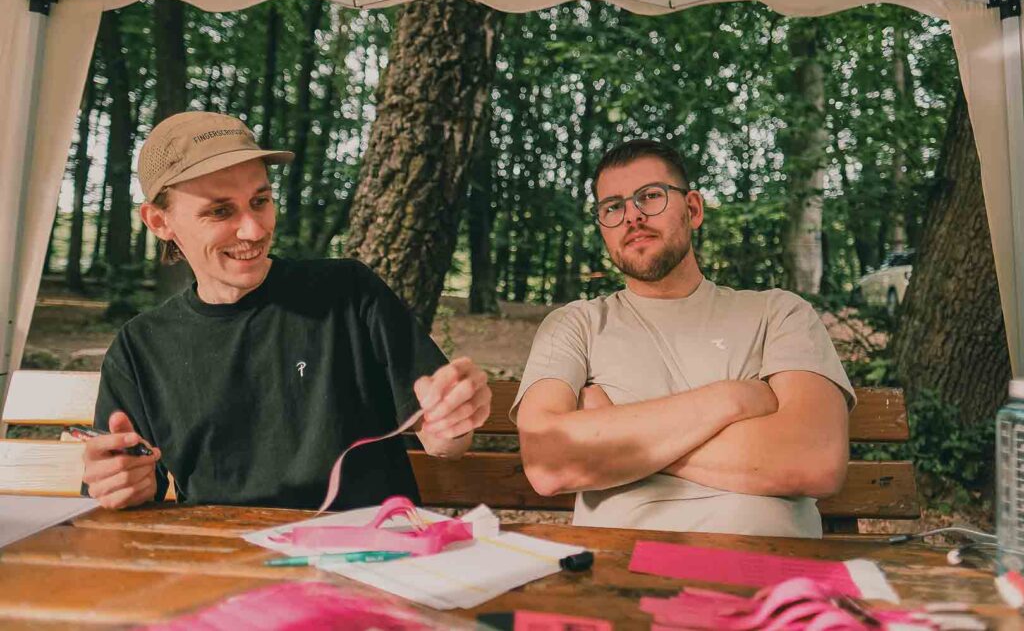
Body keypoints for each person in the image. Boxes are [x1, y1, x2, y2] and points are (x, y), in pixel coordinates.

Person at [82, 111, 491, 511]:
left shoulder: (349, 293)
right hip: (224, 550)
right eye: (220, 211)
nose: (254, 230)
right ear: (159, 221)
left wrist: (452, 420)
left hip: (369, 545)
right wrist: (120, 485)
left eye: (260, 201)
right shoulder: (140, 347)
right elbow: (128, 488)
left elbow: (445, 442)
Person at [513, 139, 853, 538]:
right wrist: (733, 399)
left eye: (650, 196)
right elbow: (548, 462)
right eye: (613, 207)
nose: (632, 216)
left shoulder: (779, 313)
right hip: (622, 564)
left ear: (693, 209)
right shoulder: (575, 325)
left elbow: (816, 459)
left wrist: (612, 438)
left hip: (766, 561)